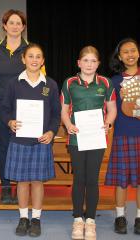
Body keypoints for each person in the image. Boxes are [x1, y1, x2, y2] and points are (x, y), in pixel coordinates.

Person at [1, 43, 60, 237]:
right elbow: (5, 109)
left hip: (40, 141)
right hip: (19, 141)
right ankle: (23, 217)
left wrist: (51, 132)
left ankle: (36, 218)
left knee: (37, 181)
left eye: (38, 57)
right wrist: (9, 121)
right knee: (22, 182)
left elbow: (56, 115)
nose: (34, 60)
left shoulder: (50, 84)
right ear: (23, 59)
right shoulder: (13, 83)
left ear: (43, 61)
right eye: (30, 56)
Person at [61, 46, 117, 240]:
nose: (89, 64)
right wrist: (68, 124)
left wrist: (108, 122)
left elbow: (112, 109)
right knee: (79, 179)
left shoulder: (106, 83)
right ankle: (78, 219)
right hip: (76, 137)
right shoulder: (69, 83)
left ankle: (91, 221)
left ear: (98, 64)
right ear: (79, 63)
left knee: (92, 179)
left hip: (96, 137)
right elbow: (64, 109)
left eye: (93, 61)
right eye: (86, 61)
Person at [0, 9, 28, 204]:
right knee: (3, 147)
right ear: (4, 26)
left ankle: (21, 186)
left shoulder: (31, 50)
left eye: (18, 23)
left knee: (21, 147)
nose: (14, 26)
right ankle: (5, 188)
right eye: (10, 22)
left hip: (25, 108)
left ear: (23, 27)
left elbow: (41, 77)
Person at [105, 38, 140, 235]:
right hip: (122, 134)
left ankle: (139, 218)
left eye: (133, 50)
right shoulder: (115, 81)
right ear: (120, 57)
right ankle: (120, 216)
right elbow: (109, 109)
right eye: (125, 52)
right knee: (121, 180)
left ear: (138, 53)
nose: (130, 54)